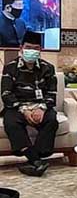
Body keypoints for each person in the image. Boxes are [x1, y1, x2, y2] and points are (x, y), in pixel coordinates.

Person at [1, 31, 58, 177]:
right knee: (11, 122)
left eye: (35, 48)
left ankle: (35, 158)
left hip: (40, 106)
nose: (31, 51)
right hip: (18, 107)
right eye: (28, 48)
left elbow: (52, 94)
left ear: (40, 50)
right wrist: (24, 110)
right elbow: (6, 94)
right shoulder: (10, 67)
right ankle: (37, 161)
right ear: (21, 48)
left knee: (52, 120)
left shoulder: (48, 68)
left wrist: (42, 108)